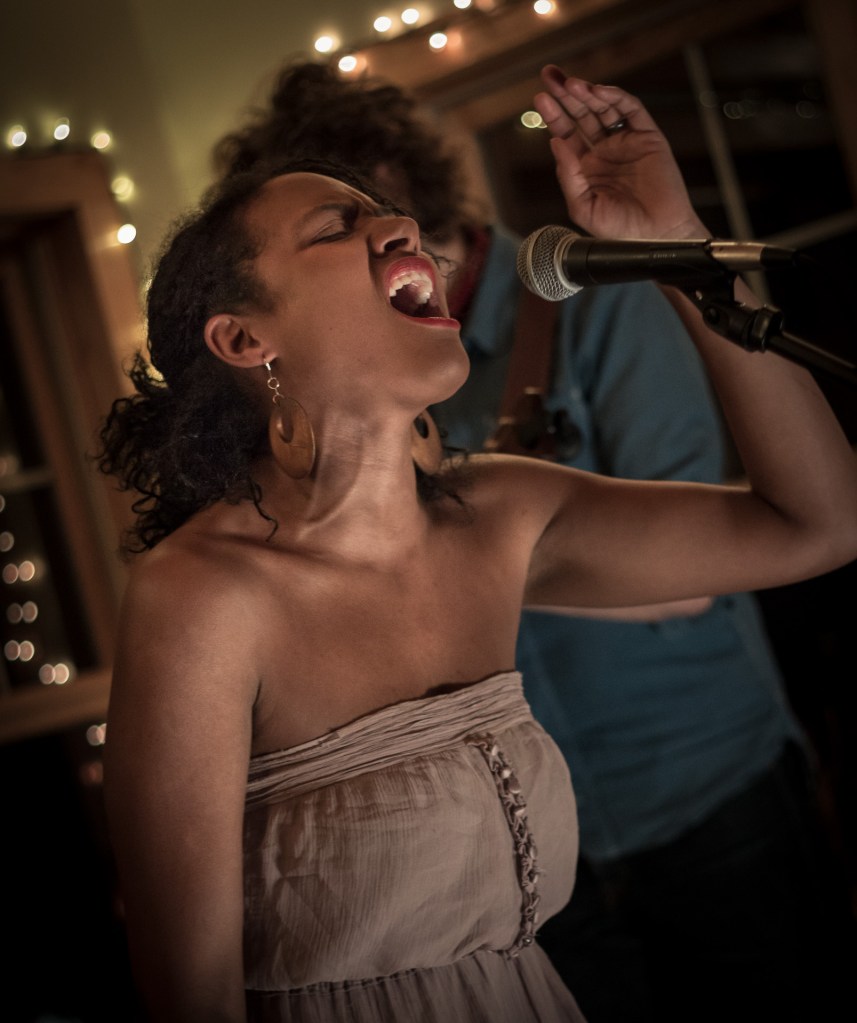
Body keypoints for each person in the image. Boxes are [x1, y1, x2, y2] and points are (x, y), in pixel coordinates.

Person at [98, 66, 857, 1023]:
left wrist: (684, 245)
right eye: (335, 226)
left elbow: (819, 522)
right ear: (244, 340)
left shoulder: (501, 512)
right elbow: (190, 996)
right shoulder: (201, 599)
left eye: (387, 210)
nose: (398, 226)